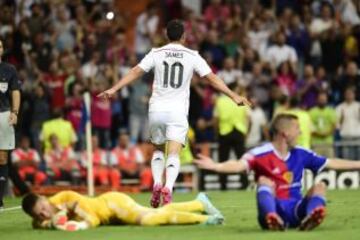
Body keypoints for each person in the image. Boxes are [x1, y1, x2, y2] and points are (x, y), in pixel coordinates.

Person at [98, 19, 251, 207]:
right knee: (174, 154)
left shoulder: (156, 53)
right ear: (184, 37)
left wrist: (114, 89)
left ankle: (156, 183)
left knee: (158, 149)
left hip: (157, 109)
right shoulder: (192, 55)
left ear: (166, 36)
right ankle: (168, 187)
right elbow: (211, 78)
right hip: (177, 111)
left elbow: (136, 71)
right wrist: (233, 95)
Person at [195, 113, 360, 231]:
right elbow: (239, 165)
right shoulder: (260, 153)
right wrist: (216, 166)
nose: (300, 133)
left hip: (296, 209)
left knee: (320, 186)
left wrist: (358, 164)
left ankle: (311, 217)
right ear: (285, 134)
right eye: (297, 129)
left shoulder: (301, 153)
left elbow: (332, 163)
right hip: (270, 209)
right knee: (264, 182)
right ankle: (273, 217)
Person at [21, 190, 224, 231]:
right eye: (39, 214)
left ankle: (204, 219)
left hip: (113, 204)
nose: (44, 214)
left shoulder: (67, 198)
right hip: (111, 213)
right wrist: (52, 223)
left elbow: (93, 219)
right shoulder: (42, 219)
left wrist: (80, 225)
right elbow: (38, 223)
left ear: (45, 199)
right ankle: (200, 202)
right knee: (156, 213)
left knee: (149, 220)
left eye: (43, 208)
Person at [0, 38, 21, 208]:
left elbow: (15, 91)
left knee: (2, 157)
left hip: (3, 115)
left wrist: (15, 112)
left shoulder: (9, 70)